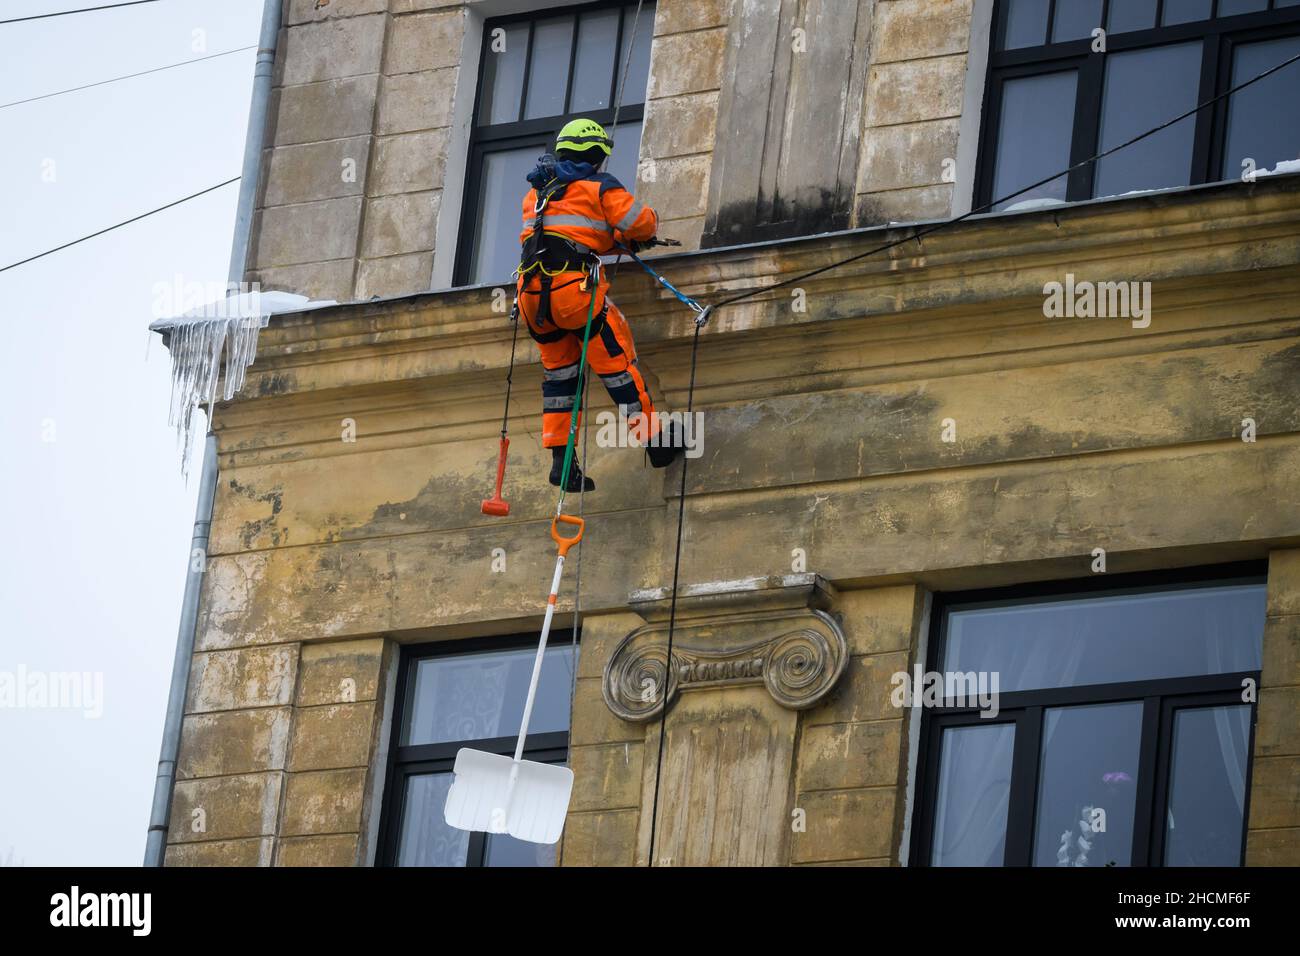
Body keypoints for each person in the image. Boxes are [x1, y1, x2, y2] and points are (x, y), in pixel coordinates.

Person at [515, 117, 682, 492]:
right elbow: (640, 223)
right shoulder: (599, 185)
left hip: (532, 298)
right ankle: (655, 442)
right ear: (594, 155)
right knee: (616, 365)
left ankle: (562, 462)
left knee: (560, 379)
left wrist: (611, 240)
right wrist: (637, 233)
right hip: (573, 293)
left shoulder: (536, 193)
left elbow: (568, 234)